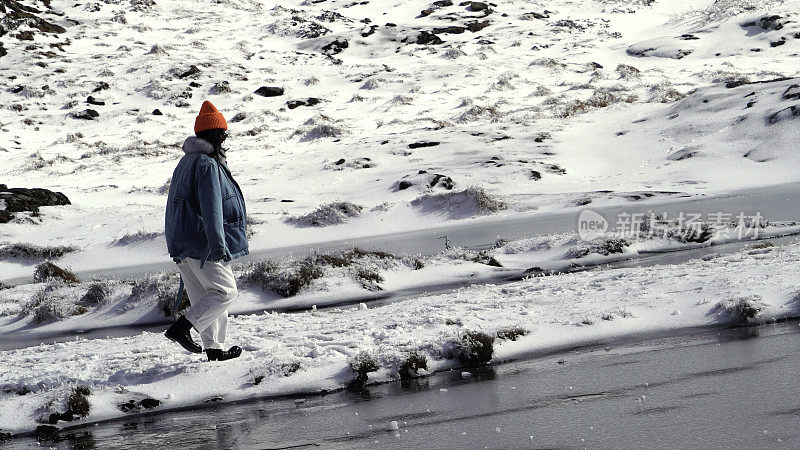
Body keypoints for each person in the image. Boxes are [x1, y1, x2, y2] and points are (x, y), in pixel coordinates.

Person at [163, 100, 249, 362]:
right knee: (225, 292)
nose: (225, 137)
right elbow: (212, 207)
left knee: (205, 296)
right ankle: (182, 328)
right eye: (223, 133)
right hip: (202, 242)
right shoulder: (207, 165)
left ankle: (215, 349)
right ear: (216, 134)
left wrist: (175, 245)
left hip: (182, 241)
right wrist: (217, 244)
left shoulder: (186, 161)